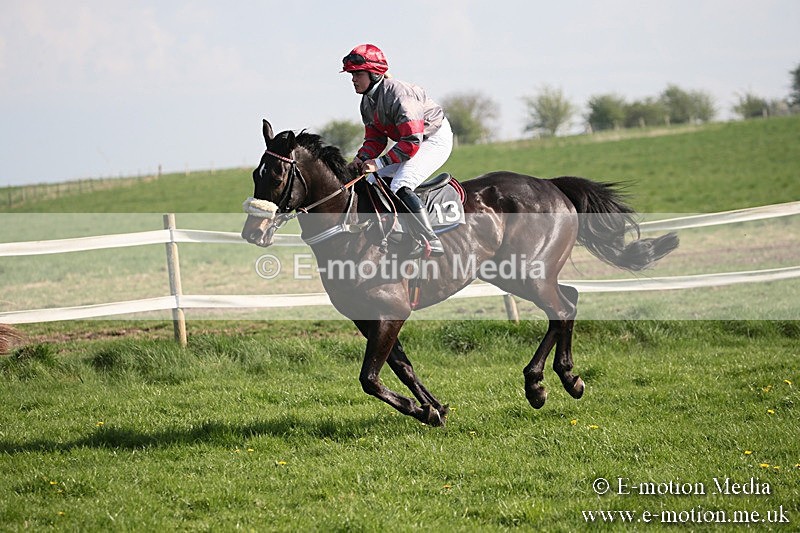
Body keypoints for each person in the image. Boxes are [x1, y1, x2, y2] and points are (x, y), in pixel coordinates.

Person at [341, 43, 453, 257]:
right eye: (351, 75)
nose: (353, 79)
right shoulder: (367, 102)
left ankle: (431, 240)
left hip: (433, 139)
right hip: (412, 141)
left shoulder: (400, 94)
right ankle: (393, 231)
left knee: (402, 183)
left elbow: (412, 140)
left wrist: (379, 163)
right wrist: (361, 158)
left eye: (357, 74)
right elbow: (375, 139)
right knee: (371, 181)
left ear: (374, 74)